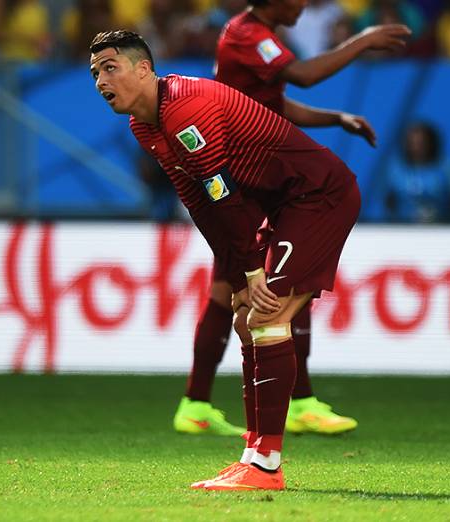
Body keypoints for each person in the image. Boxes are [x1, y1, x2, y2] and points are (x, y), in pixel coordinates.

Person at [90, 30, 369, 490]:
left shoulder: (184, 110)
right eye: (95, 72)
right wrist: (238, 272)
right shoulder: (144, 125)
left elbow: (223, 195)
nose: (101, 80)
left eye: (110, 67)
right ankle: (252, 454)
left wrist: (252, 269)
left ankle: (266, 466)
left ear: (144, 69)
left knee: (266, 316)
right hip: (285, 205)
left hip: (319, 196)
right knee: (245, 319)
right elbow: (198, 202)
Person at [169, 0, 410, 438]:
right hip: (248, 180)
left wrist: (334, 119)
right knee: (245, 293)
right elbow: (303, 75)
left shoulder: (256, 35)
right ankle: (224, 404)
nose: (303, 4)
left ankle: (224, 402)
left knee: (267, 287)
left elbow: (274, 104)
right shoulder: (247, 35)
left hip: (254, 180)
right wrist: (363, 40)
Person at [383, 122, 450, 223]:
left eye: (421, 143)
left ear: (430, 143)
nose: (416, 147)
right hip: (403, 229)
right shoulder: (395, 170)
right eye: (412, 143)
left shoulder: (446, 168)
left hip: (440, 229)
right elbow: (389, 201)